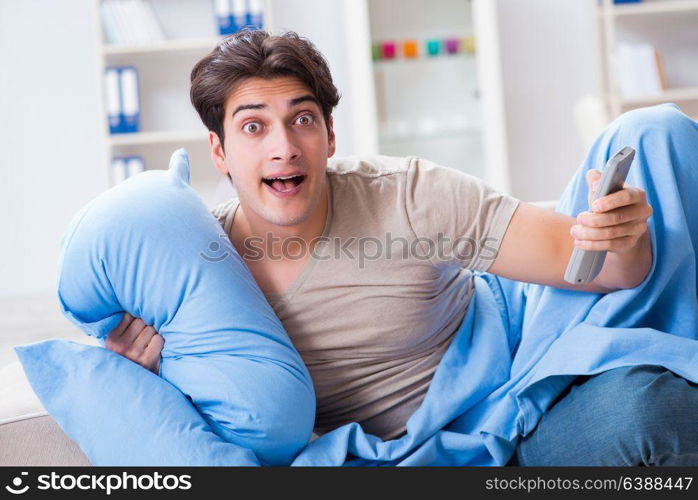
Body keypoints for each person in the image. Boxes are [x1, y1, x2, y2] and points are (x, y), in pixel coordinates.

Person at [104, 30, 698, 465]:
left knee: (654, 133)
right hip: (432, 452)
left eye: (302, 120)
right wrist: (141, 374)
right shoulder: (187, 269)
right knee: (644, 412)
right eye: (254, 127)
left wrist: (619, 238)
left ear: (329, 135)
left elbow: (601, 271)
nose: (283, 147)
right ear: (219, 151)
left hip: (519, 374)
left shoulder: (407, 194)